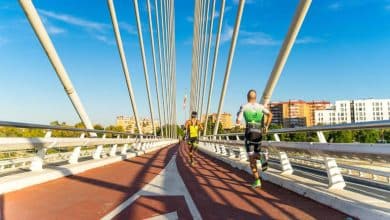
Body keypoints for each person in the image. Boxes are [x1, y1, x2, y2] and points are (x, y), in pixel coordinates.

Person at [236, 90, 273, 188]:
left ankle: (261, 158)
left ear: (247, 97)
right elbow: (270, 115)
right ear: (256, 97)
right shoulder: (261, 107)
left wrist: (238, 116)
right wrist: (266, 126)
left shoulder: (244, 106)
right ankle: (257, 181)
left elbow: (238, 121)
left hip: (250, 133)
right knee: (254, 156)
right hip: (259, 133)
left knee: (251, 159)